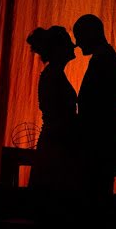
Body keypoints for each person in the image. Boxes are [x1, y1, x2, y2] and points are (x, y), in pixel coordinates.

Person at [72, 14, 116, 197]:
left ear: (91, 34)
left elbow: (97, 109)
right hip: (100, 145)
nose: (78, 43)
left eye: (79, 36)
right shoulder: (106, 59)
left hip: (98, 147)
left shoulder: (103, 62)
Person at [26, 26, 80, 195]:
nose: (73, 46)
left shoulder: (53, 74)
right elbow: (58, 116)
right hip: (56, 148)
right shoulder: (53, 76)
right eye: (68, 43)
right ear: (58, 49)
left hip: (55, 144)